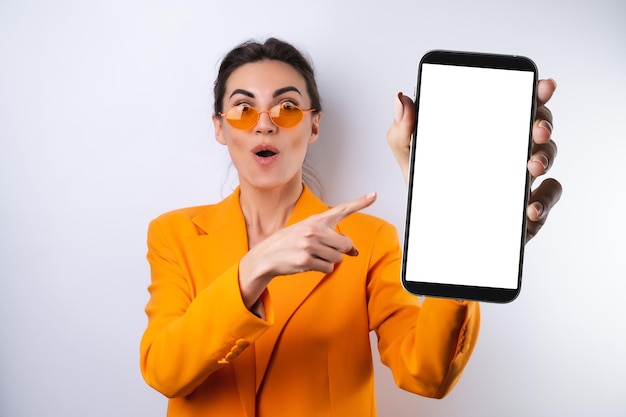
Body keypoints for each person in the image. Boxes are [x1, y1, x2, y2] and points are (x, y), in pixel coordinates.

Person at [139, 38, 561, 416]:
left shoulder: (369, 241)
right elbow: (164, 370)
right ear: (219, 127)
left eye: (287, 108)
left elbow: (427, 376)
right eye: (242, 108)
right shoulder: (175, 234)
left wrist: (452, 232)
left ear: (314, 124)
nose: (264, 123)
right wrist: (254, 268)